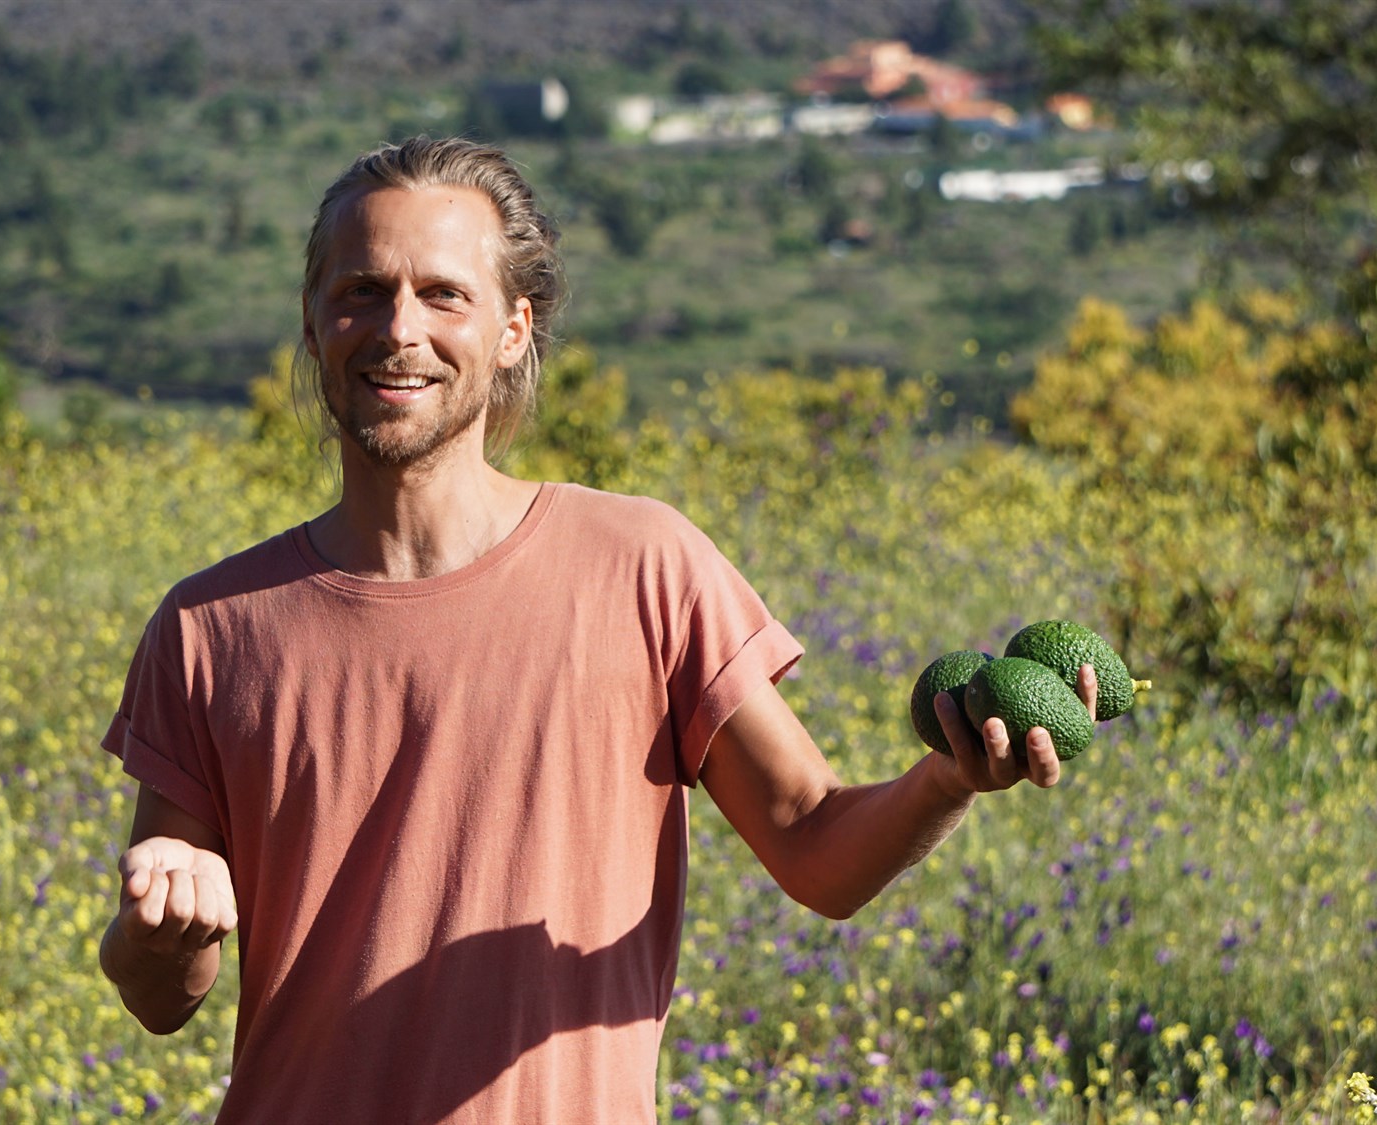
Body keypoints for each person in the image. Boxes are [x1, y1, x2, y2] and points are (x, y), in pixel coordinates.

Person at [96, 136, 1096, 1124]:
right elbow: (159, 997)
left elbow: (816, 853)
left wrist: (948, 779)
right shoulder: (209, 628)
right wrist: (168, 932)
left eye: (443, 294)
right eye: (360, 289)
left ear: (511, 330)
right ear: (313, 325)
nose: (397, 328)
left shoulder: (642, 566)